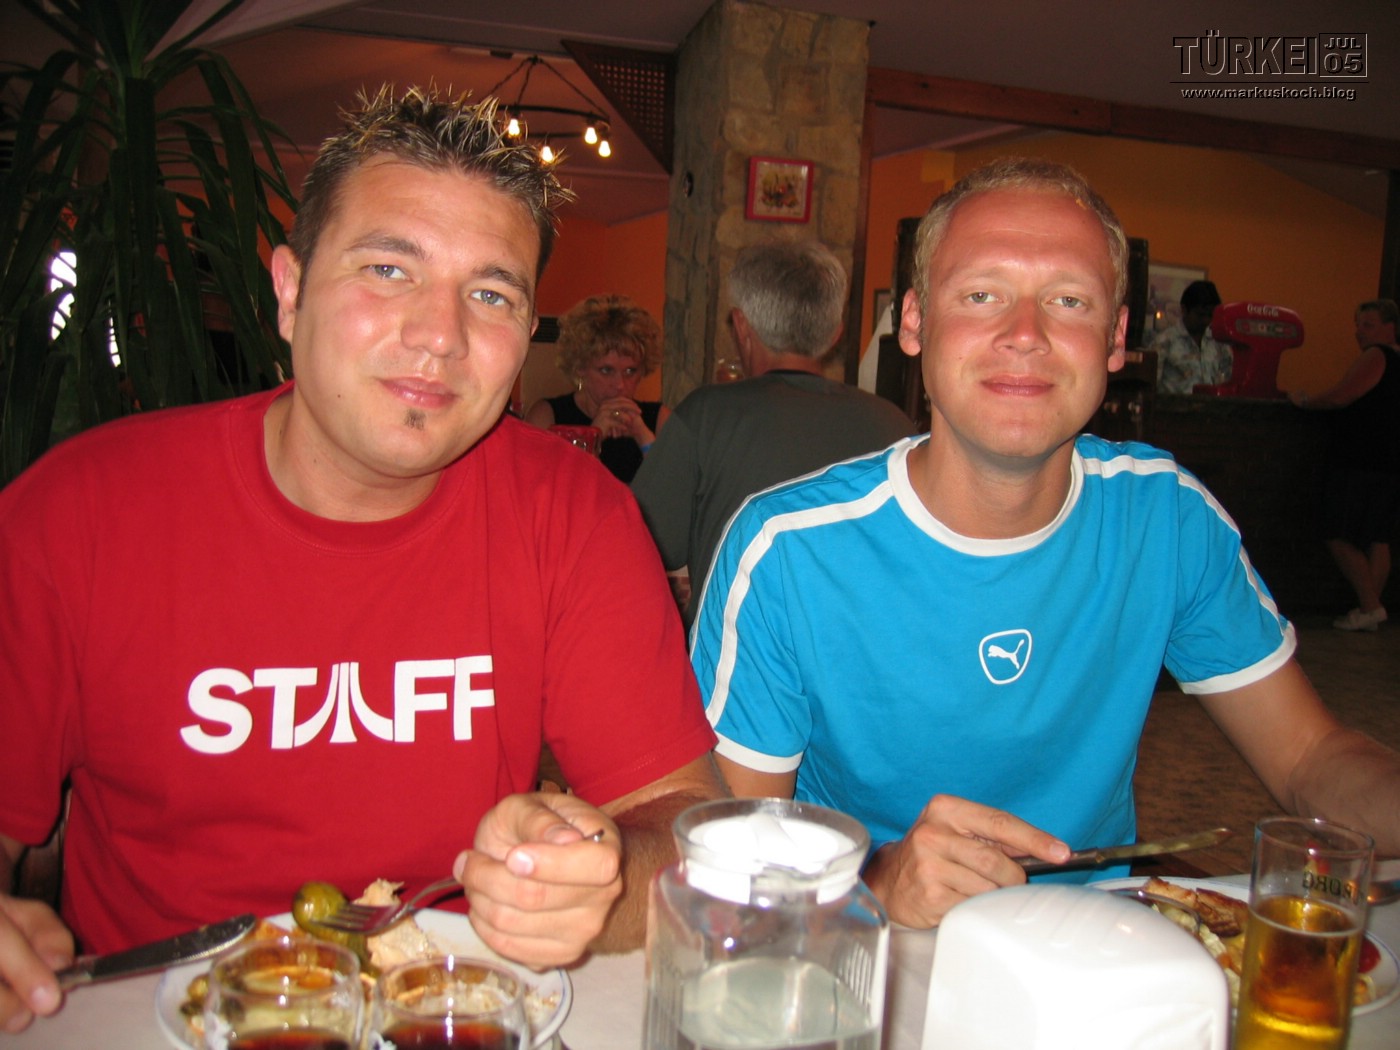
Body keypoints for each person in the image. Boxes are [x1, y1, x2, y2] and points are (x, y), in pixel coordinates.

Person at [0, 85, 724, 1032]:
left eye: (491, 294)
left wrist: (608, 874)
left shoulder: (573, 511)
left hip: (454, 1011)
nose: (439, 335)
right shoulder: (81, 510)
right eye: (388, 269)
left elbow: (682, 824)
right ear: (289, 289)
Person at [690, 157, 1400, 931]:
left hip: (1096, 951)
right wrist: (876, 882)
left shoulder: (1165, 517)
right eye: (982, 295)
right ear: (915, 323)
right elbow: (721, 871)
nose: (1025, 334)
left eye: (1068, 300)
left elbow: (1308, 757)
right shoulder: (787, 549)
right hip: (871, 955)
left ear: (1114, 339)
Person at [631, 240, 914, 630]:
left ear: (741, 327)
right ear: (836, 333)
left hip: (734, 655)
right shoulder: (894, 426)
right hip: (857, 652)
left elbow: (636, 542)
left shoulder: (705, 416)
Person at [1291, 299, 1400, 631]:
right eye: (1358, 325)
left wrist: (1306, 401)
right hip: (1388, 461)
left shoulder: (1378, 355)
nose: (1359, 332)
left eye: (1368, 324)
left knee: (1337, 532)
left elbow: (1342, 395)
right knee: (1378, 537)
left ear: (1390, 327)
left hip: (1360, 460)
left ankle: (1370, 606)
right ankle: (1369, 610)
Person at [524, 295, 669, 482]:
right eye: (606, 370)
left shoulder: (658, 418)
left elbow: (675, 488)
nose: (620, 384)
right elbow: (537, 485)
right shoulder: (548, 415)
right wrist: (592, 437)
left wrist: (644, 438)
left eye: (630, 371)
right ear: (581, 367)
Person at [1150, 278, 1233, 394]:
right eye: (1200, 315)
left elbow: (1229, 381)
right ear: (1184, 309)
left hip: (1213, 404)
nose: (1206, 320)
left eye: (1210, 315)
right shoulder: (1164, 342)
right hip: (1176, 405)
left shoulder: (1219, 343)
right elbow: (1151, 386)